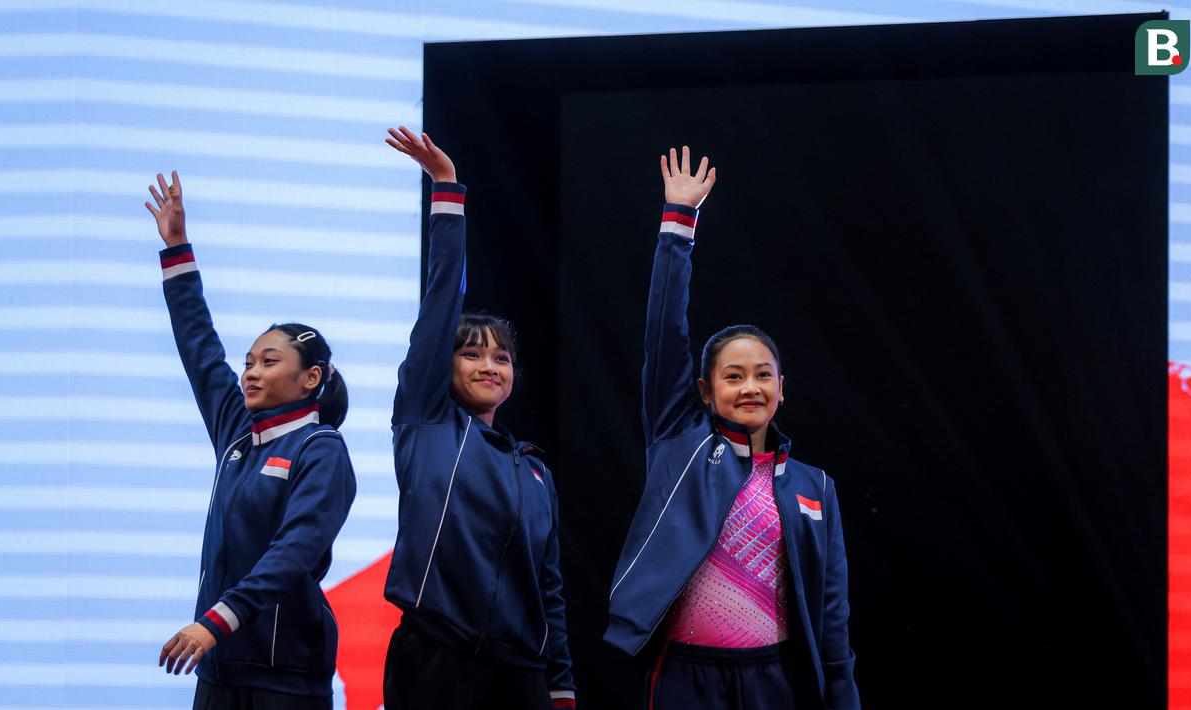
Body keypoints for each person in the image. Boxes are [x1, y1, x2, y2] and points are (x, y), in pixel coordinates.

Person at [605, 147, 861, 709]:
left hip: (775, 681)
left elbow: (831, 611)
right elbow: (664, 333)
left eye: (762, 375)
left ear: (781, 388)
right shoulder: (681, 442)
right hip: (684, 679)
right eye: (733, 376)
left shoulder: (815, 488)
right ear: (704, 391)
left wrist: (843, 696)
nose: (750, 387)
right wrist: (678, 223)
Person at [379, 127, 577, 710]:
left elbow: (550, 588)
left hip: (521, 677)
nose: (489, 364)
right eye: (471, 352)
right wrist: (446, 189)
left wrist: (561, 682)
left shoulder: (534, 471)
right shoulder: (426, 423)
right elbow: (441, 302)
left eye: (502, 356)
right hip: (433, 663)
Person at [146, 171, 357, 710]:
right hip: (218, 668)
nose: (250, 373)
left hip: (284, 677)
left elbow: (292, 553)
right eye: (248, 362)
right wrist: (177, 249)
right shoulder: (238, 431)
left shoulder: (321, 449)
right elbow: (198, 345)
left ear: (311, 378)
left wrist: (215, 622)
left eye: (269, 361)